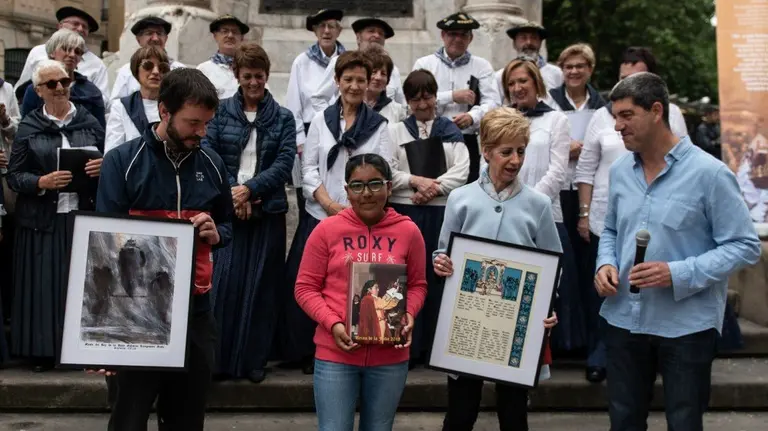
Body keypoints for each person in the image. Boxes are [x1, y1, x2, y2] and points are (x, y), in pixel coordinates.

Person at [594, 72, 761, 431]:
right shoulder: (622, 170)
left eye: (626, 116)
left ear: (656, 111)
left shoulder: (710, 174)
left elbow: (745, 246)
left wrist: (677, 273)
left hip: (686, 326)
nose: (618, 126)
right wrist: (605, 263)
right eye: (615, 117)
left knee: (684, 423)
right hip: (624, 317)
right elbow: (609, 230)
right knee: (623, 420)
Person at [95, 68, 234, 430]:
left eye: (206, 123)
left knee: (186, 420)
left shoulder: (213, 163)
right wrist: (104, 331)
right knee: (129, 417)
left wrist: (216, 233)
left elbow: (229, 226)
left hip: (196, 313)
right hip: (136, 313)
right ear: (164, 112)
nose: (201, 133)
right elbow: (103, 247)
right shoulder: (121, 162)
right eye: (193, 123)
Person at [433, 107, 559, 430]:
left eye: (521, 151)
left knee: (514, 413)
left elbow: (553, 264)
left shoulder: (538, 204)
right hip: (468, 321)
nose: (515, 160)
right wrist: (441, 262)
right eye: (506, 152)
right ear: (486, 151)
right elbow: (443, 250)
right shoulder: (461, 198)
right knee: (461, 411)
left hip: (517, 326)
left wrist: (548, 304)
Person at [575, 46, 692, 381]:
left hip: (658, 223)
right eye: (624, 77)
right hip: (608, 216)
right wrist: (584, 214)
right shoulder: (604, 119)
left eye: (636, 77)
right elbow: (585, 169)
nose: (619, 126)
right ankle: (603, 353)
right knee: (605, 288)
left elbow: (680, 161)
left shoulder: (678, 123)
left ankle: (651, 357)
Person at [277, 51, 392, 374]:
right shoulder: (320, 121)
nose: (355, 86)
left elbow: (383, 170)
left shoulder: (380, 126)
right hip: (320, 214)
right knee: (308, 282)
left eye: (361, 80)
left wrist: (358, 207)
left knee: (352, 285)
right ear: (338, 82)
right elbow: (309, 166)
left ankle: (359, 346)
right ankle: (303, 350)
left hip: (362, 218)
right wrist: (328, 203)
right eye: (349, 79)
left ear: (370, 84)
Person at [294, 153, 427, 431]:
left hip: (390, 357)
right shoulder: (326, 230)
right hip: (336, 355)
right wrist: (333, 324)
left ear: (389, 187)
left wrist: (410, 313)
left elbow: (417, 285)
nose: (366, 193)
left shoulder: (409, 231)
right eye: (357, 186)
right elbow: (305, 288)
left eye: (375, 184)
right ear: (346, 190)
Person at [202, 42, 296, 384]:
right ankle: (219, 361)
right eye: (247, 76)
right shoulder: (220, 112)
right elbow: (209, 152)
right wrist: (232, 194)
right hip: (227, 212)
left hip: (266, 211)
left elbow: (284, 163)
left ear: (267, 76)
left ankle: (254, 360)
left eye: (258, 76)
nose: (253, 82)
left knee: (261, 288)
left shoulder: (284, 117)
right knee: (223, 285)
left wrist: (250, 191)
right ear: (236, 76)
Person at [7, 59, 104, 372]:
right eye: (52, 84)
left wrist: (101, 166)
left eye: (65, 81)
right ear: (39, 90)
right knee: (43, 286)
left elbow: (110, 160)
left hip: (80, 214)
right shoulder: (29, 126)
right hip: (42, 219)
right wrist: (40, 182)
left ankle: (79, 348)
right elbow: (14, 175)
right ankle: (42, 351)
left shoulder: (88, 121)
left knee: (79, 284)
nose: (60, 88)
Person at [387, 69, 469, 364]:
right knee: (403, 277)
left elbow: (461, 170)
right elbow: (388, 169)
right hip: (405, 211)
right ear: (407, 101)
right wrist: (415, 183)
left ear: (436, 97)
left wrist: (433, 189)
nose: (423, 105)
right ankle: (400, 344)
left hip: (438, 214)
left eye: (428, 97)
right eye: (415, 99)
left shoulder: (449, 130)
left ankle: (434, 346)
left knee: (435, 277)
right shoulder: (395, 131)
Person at [501, 58, 582, 353]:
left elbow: (558, 170)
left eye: (523, 81)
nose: (517, 88)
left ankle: (553, 347)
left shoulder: (556, 119)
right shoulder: (501, 118)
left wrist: (529, 204)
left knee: (548, 282)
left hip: (545, 213)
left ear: (537, 83)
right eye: (511, 83)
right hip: (505, 212)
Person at [548, 43, 607, 382]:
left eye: (580, 66)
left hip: (589, 195)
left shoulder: (602, 106)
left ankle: (589, 341)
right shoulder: (550, 102)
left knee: (587, 269)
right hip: (557, 194)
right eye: (568, 66)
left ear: (590, 69)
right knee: (561, 270)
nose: (574, 72)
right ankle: (562, 340)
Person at [413, 13, 498, 183]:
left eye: (463, 34)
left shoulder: (482, 66)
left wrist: (472, 117)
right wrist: (451, 96)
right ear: (443, 35)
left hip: (466, 138)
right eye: (453, 34)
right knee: (431, 189)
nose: (458, 39)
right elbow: (415, 100)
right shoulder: (424, 64)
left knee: (468, 191)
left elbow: (493, 103)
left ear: (471, 38)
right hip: (430, 136)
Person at [286, 9, 346, 222]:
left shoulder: (346, 60)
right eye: (322, 26)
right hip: (310, 134)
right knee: (310, 194)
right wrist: (300, 141)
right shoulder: (302, 62)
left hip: (341, 134)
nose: (327, 31)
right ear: (314, 30)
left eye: (331, 26)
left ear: (339, 29)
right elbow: (294, 105)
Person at [14, 6, 108, 105]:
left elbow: (104, 101)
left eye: (85, 27)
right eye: (75, 24)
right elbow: (20, 89)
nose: (80, 28)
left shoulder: (97, 64)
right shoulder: (38, 52)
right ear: (60, 26)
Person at [311, 17, 406, 112]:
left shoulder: (392, 70)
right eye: (371, 31)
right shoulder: (340, 62)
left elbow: (401, 105)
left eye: (381, 33)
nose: (377, 35)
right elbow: (319, 99)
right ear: (358, 37)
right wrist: (333, 121)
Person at [20, 29, 106, 127]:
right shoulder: (35, 89)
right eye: (66, 49)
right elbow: (25, 129)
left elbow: (100, 132)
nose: (72, 55)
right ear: (52, 52)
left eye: (77, 52)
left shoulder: (92, 92)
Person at [104, 46, 169, 154]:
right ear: (136, 70)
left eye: (162, 68)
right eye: (148, 66)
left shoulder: (174, 106)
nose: (156, 72)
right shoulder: (121, 107)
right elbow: (112, 152)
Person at [110, 16, 186, 102]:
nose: (155, 38)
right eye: (149, 33)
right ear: (138, 40)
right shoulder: (126, 71)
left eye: (159, 33)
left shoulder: (180, 70)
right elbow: (115, 104)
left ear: (166, 38)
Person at [495, 21, 563, 103]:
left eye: (534, 38)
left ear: (540, 42)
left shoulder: (557, 73)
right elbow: (495, 105)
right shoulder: (501, 75)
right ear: (514, 43)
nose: (529, 42)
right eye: (523, 38)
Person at [197, 15, 249, 100]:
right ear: (215, 36)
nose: (230, 35)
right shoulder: (203, 71)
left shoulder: (250, 69)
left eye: (235, 32)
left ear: (242, 37)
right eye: (224, 31)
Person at [363, 45, 406, 123]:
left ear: (388, 80)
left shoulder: (398, 111)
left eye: (383, 74)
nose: (378, 77)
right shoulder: (351, 106)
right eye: (374, 72)